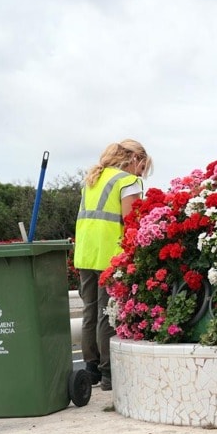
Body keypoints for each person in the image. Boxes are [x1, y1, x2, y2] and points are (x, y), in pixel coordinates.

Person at [74, 140, 152, 391]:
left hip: (86, 252)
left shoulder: (93, 179)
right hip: (111, 254)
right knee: (108, 315)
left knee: (90, 312)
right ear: (135, 159)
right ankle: (110, 374)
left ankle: (92, 368)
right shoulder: (127, 181)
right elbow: (131, 221)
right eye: (142, 168)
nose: (141, 175)